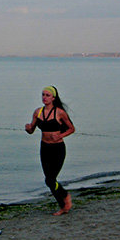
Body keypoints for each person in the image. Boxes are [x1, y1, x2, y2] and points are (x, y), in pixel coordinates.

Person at [25, 85, 76, 215]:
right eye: (43, 95)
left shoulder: (59, 112)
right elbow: (32, 130)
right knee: (49, 180)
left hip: (58, 149)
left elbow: (71, 129)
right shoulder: (38, 112)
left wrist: (60, 135)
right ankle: (64, 203)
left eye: (47, 95)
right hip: (45, 148)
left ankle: (65, 200)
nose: (44, 97)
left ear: (53, 98)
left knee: (50, 180)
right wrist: (28, 128)